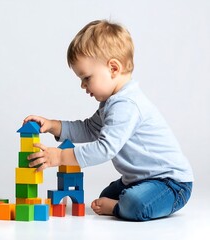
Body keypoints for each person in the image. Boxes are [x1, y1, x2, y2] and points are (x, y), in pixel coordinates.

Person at [24, 20, 193, 221]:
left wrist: (60, 157)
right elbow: (88, 128)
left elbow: (105, 148)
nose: (83, 85)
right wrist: (54, 125)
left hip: (171, 183)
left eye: (86, 78)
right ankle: (124, 201)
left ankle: (121, 207)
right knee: (105, 196)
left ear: (113, 68)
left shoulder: (126, 105)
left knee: (134, 204)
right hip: (140, 180)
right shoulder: (111, 103)